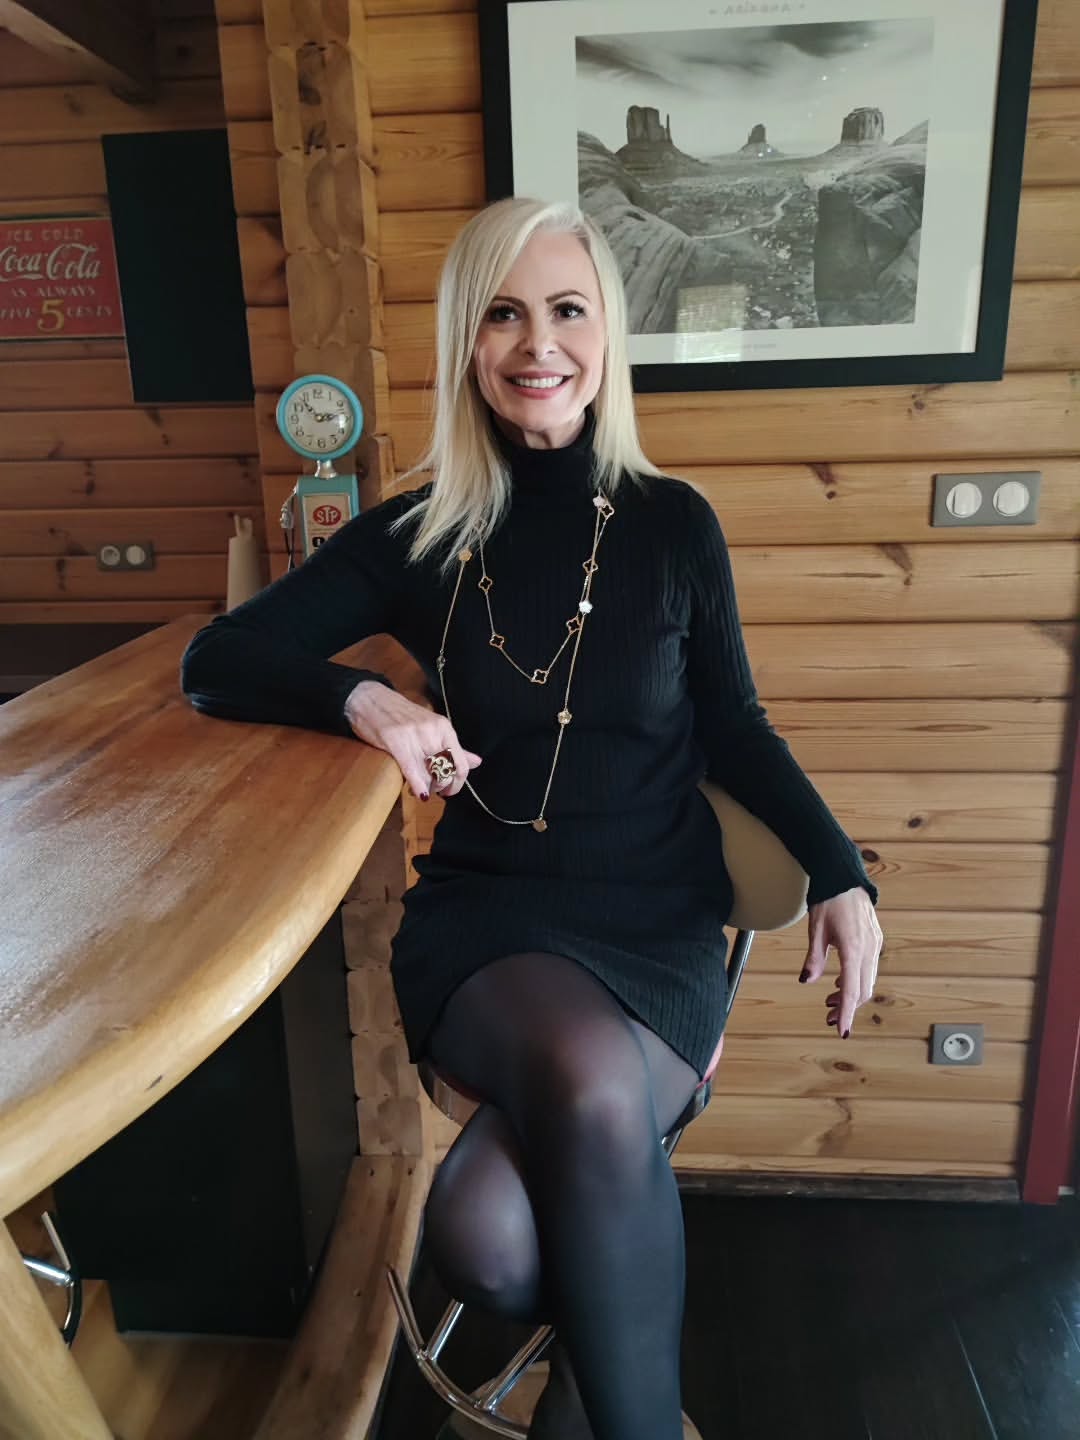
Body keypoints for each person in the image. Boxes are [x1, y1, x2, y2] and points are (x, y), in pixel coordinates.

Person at [180, 195, 882, 1440]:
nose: (537, 344)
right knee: (570, 1104)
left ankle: (598, 1400)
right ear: (468, 340)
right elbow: (217, 659)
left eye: (567, 310)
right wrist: (367, 702)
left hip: (657, 925)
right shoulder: (418, 532)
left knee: (493, 1235)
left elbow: (736, 726)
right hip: (492, 922)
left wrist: (841, 873)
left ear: (608, 332)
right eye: (502, 314)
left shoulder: (673, 526)